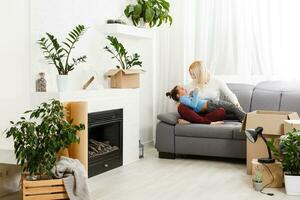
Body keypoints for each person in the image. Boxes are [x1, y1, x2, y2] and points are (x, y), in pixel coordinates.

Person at [166, 85, 246, 122]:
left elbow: (193, 103)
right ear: (178, 95)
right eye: (181, 89)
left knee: (232, 111)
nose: (183, 88)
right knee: (232, 107)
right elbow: (194, 105)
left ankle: (245, 118)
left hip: (209, 104)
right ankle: (248, 119)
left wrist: (193, 95)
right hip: (210, 105)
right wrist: (196, 93)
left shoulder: (185, 98)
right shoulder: (183, 99)